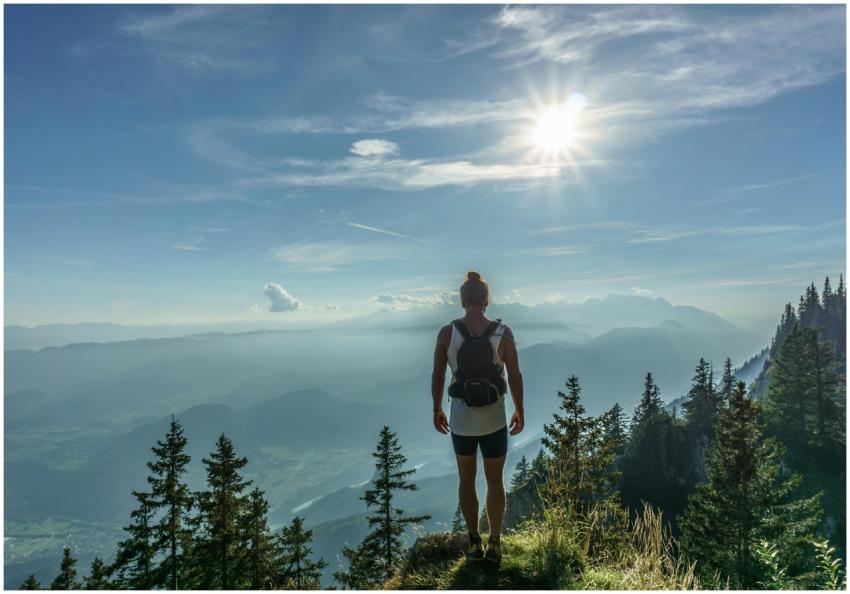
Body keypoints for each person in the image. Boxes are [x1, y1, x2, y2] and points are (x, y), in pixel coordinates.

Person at [431, 271, 524, 563]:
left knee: (466, 479)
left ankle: (474, 543)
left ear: (462, 300)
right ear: (487, 300)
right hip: (494, 419)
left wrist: (437, 408)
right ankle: (495, 542)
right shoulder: (503, 333)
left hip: (462, 420)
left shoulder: (448, 333)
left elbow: (437, 374)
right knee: (495, 482)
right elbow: (515, 374)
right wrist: (520, 409)